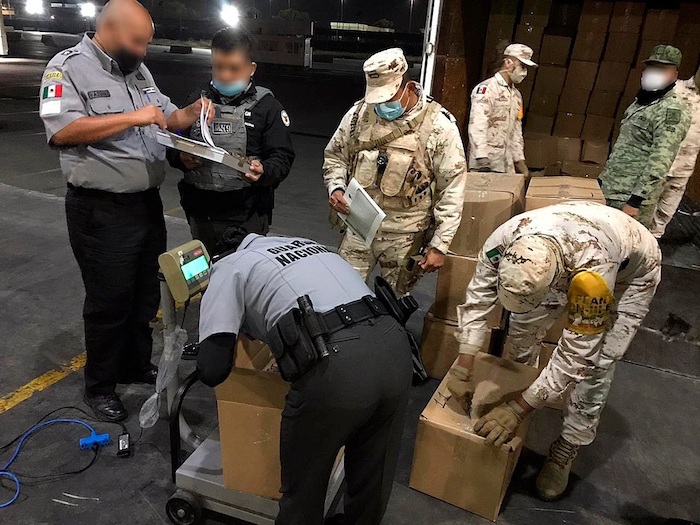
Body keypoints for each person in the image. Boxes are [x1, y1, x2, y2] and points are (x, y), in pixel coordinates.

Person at [39, 0, 209, 422]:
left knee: (144, 296)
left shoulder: (136, 69)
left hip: (145, 206)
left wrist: (194, 112)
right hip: (100, 210)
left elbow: (165, 116)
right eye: (139, 41)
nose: (144, 51)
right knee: (109, 301)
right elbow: (61, 131)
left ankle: (134, 364)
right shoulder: (66, 68)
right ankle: (100, 384)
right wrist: (133, 117)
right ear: (110, 29)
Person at [448, 201, 661, 501]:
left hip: (629, 271)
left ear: (553, 281)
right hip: (565, 244)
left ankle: (567, 445)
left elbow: (578, 352)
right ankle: (525, 398)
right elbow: (478, 298)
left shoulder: (594, 273)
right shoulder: (504, 239)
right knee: (521, 334)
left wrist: (516, 409)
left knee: (598, 363)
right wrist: (463, 362)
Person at [196, 231, 413, 525]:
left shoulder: (231, 265)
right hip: (396, 346)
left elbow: (212, 368)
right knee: (372, 475)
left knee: (304, 492)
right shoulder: (311, 245)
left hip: (337, 368)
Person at [323, 48, 467, 293]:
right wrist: (336, 186)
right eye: (376, 99)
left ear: (408, 87)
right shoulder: (359, 114)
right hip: (359, 226)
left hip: (405, 236)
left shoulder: (439, 126)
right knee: (342, 293)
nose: (381, 106)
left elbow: (452, 189)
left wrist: (439, 245)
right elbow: (335, 156)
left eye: (388, 98)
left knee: (394, 303)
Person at [168, 27, 295, 255]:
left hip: (247, 215)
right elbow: (173, 139)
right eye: (218, 67)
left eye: (234, 68)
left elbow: (282, 157)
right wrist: (180, 158)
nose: (225, 75)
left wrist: (264, 171)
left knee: (243, 283)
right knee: (204, 282)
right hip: (200, 213)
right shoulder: (195, 101)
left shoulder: (268, 107)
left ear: (251, 68)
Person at [600, 45, 691, 228]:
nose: (654, 73)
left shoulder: (671, 111)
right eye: (652, 67)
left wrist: (635, 201)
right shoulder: (643, 101)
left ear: (674, 74)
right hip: (612, 189)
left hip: (629, 198)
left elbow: (660, 161)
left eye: (662, 69)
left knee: (624, 251)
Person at [468, 43, 536, 176]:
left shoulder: (516, 96)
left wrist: (519, 160)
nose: (524, 72)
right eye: (522, 66)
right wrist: (482, 158)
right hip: (485, 164)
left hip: (506, 165)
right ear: (508, 63)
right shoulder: (487, 89)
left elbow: (516, 129)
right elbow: (478, 124)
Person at [650, 67, 700, 238]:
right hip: (656, 164)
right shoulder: (674, 89)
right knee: (640, 210)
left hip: (683, 168)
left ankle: (652, 246)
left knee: (664, 214)